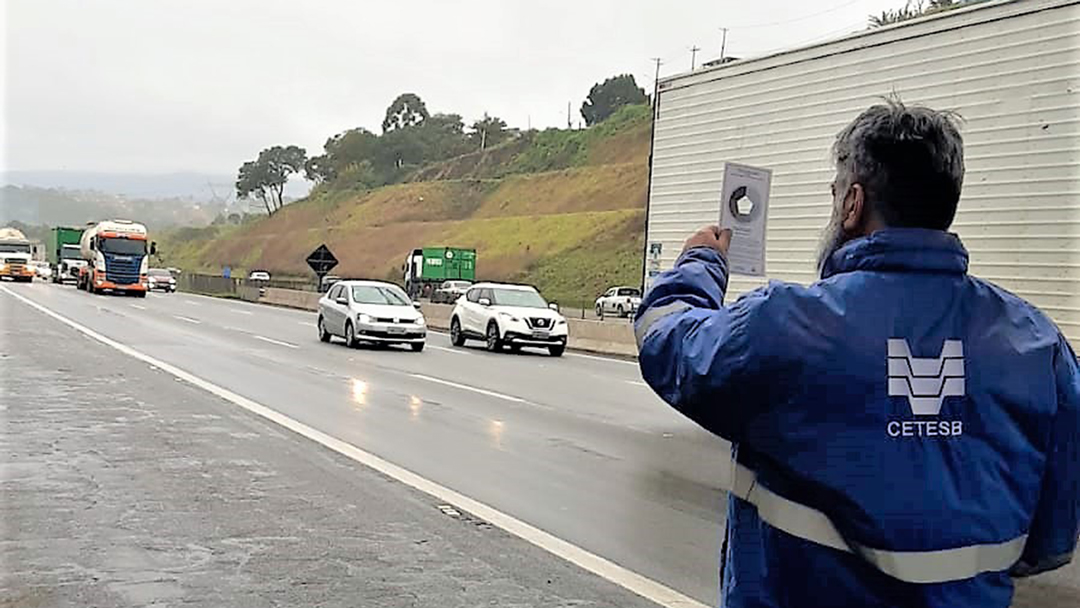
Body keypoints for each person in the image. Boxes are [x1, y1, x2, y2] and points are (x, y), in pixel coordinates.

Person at [635, 100, 1079, 608]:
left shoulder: (789, 324)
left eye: (834, 195)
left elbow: (670, 344)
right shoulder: (1038, 344)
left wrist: (701, 263)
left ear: (853, 204)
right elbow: (1052, 537)